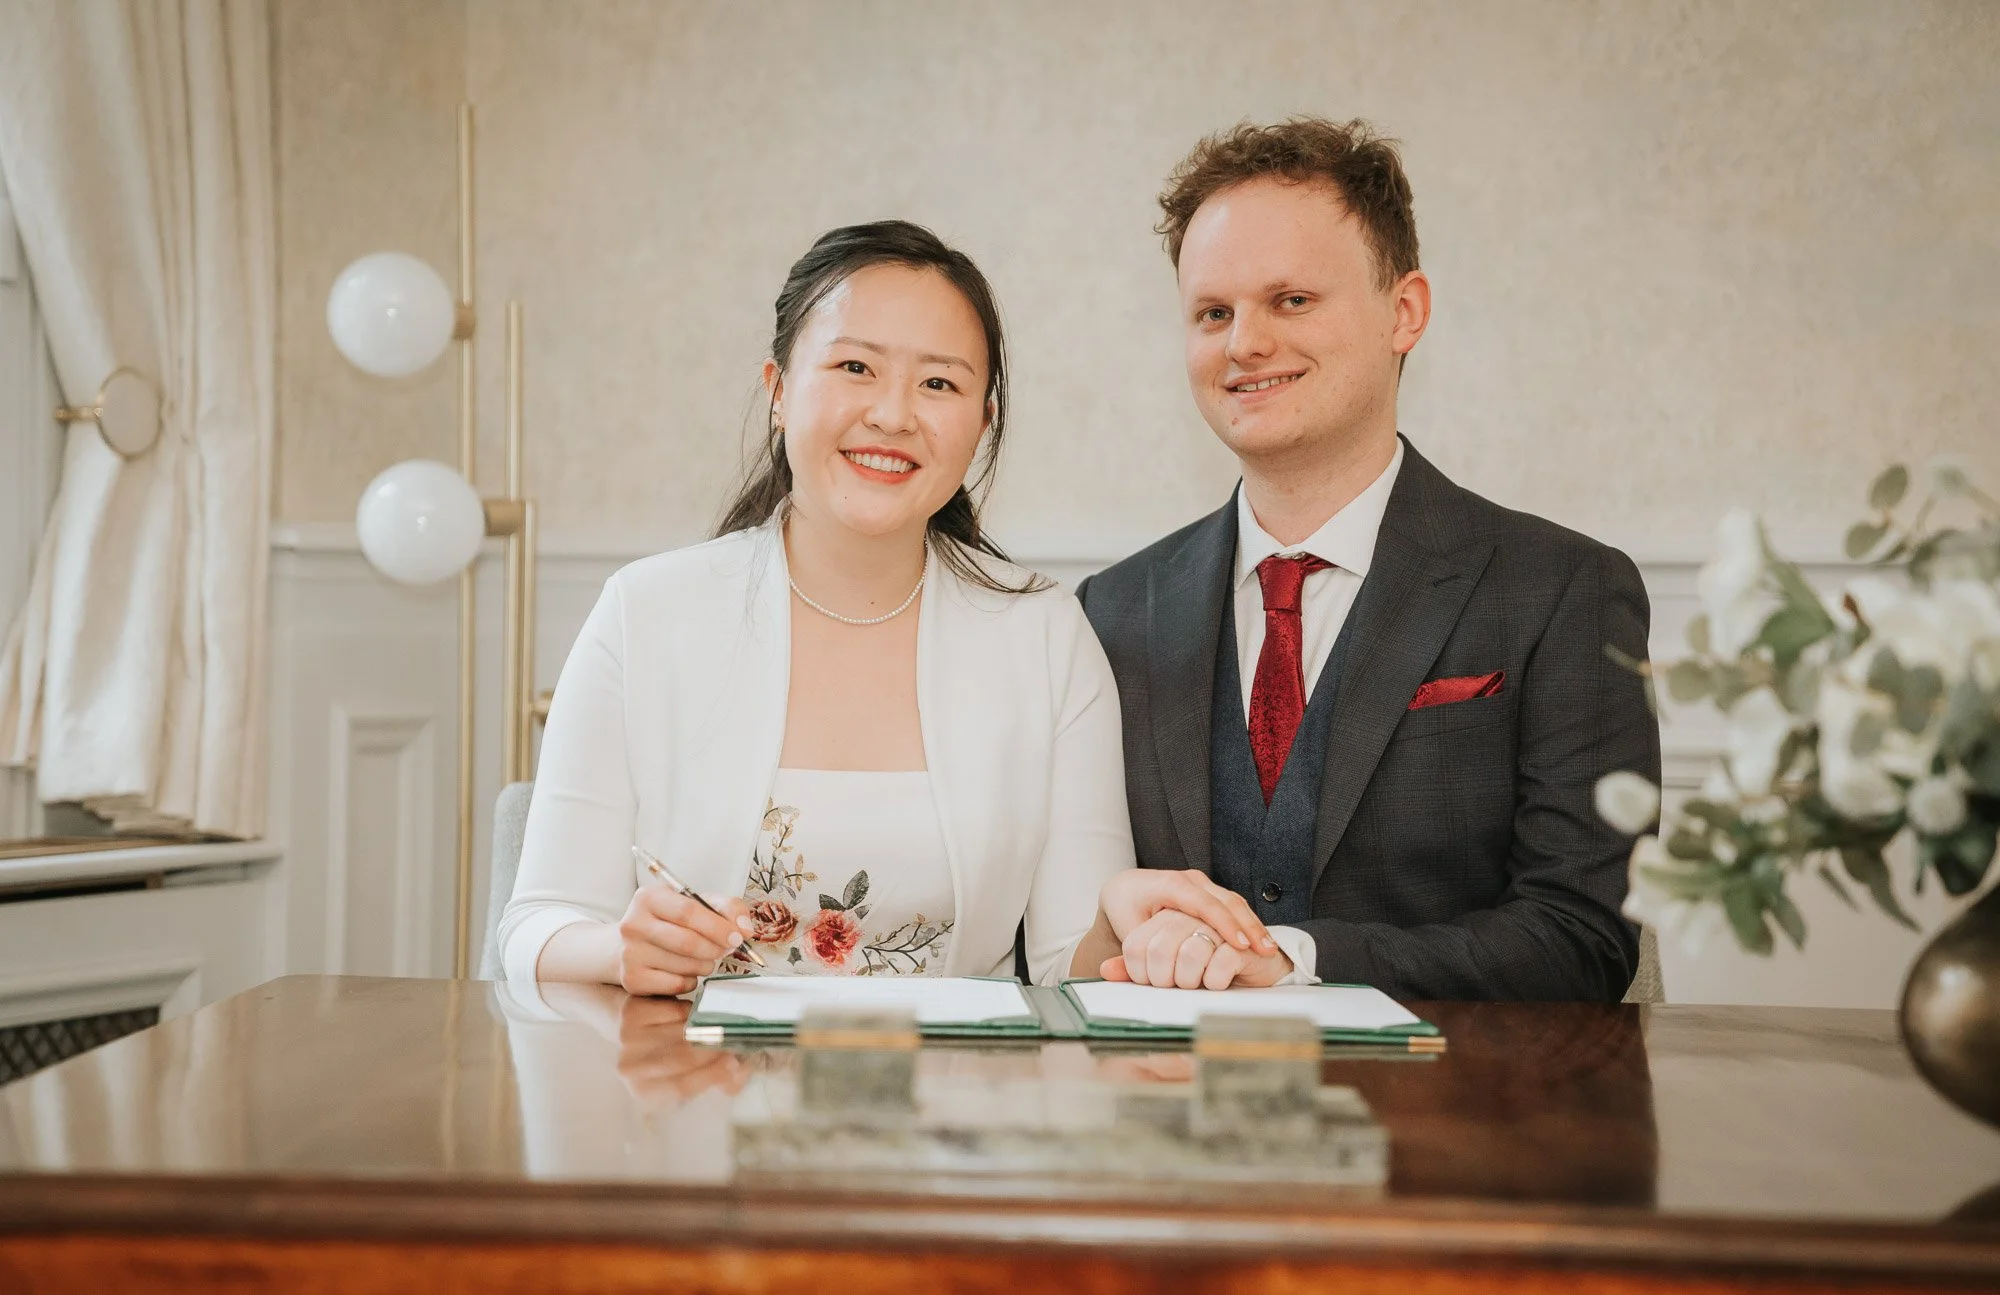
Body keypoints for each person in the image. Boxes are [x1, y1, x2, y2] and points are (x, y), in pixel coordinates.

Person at [500, 220, 1275, 996]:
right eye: (855, 367)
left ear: (982, 421)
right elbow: (535, 923)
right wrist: (618, 951)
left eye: (939, 384)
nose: (894, 415)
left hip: (956, 1074)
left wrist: (1129, 927)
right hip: (692, 1069)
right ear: (778, 390)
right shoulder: (645, 613)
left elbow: (1068, 958)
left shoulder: (1045, 634)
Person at [1078, 120, 1659, 1001]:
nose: (1244, 344)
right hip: (1173, 1086)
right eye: (1213, 313)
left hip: (1458, 1087)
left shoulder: (1564, 590)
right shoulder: (1111, 611)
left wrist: (1299, 962)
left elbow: (1581, 937)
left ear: (1405, 312)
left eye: (1291, 300)